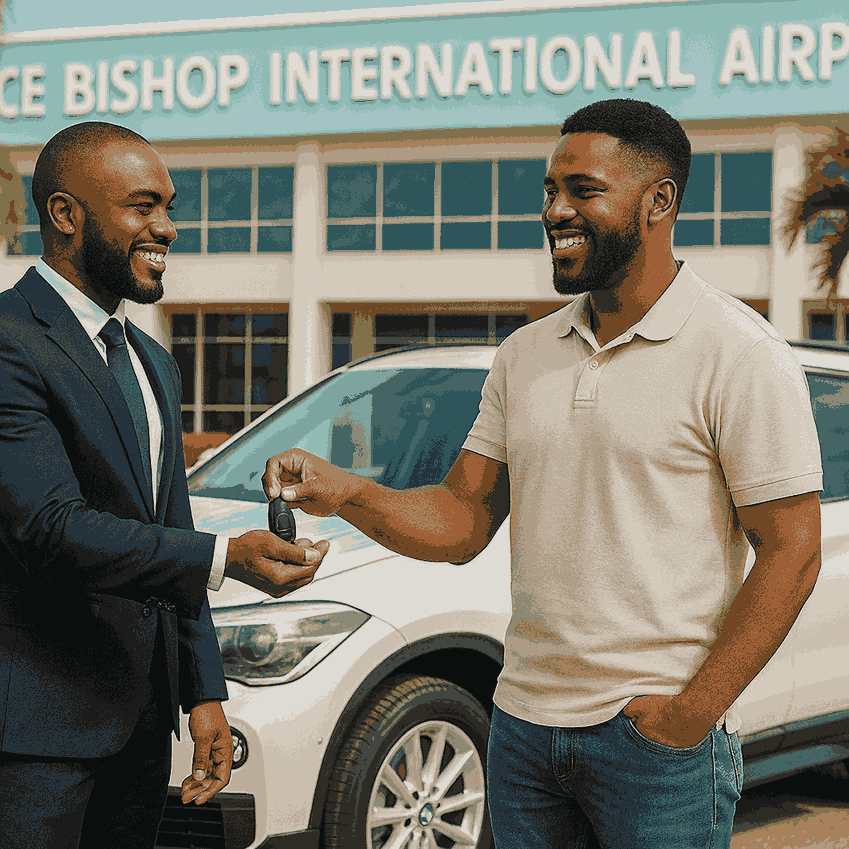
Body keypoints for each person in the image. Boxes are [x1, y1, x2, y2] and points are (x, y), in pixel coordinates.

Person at [262, 99, 823, 848]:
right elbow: (463, 518)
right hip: (523, 727)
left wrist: (689, 714)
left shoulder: (738, 353)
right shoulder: (524, 354)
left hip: (652, 745)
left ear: (658, 201)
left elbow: (792, 548)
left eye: (582, 190)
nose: (555, 210)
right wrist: (350, 491)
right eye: (549, 190)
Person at [0, 121, 329, 849]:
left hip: (142, 730)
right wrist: (223, 555)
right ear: (65, 215)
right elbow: (48, 526)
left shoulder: (152, 360)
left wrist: (203, 690)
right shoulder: (8, 340)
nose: (167, 228)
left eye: (168, 207)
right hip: (31, 741)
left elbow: (168, 526)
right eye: (142, 207)